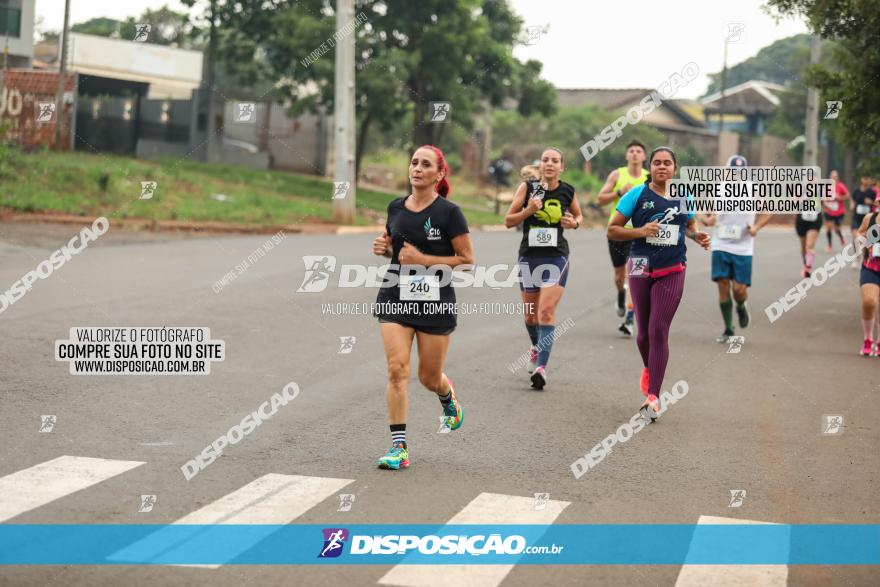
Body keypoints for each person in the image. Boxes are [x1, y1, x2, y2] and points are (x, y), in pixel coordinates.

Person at [371, 145, 474, 469]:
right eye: (414, 162)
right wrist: (383, 246)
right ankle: (399, 448)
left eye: (425, 164)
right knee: (396, 370)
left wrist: (424, 260)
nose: (417, 168)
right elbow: (392, 242)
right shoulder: (395, 207)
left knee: (428, 377)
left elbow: (467, 260)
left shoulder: (449, 213)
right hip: (395, 294)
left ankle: (446, 395)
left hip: (435, 301)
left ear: (439, 174)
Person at [607, 146, 710, 420]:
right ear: (649, 167)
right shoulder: (636, 195)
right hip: (640, 264)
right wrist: (640, 231)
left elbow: (689, 227)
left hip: (673, 267)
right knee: (642, 334)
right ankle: (650, 369)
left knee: (658, 329)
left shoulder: (683, 196)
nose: (661, 167)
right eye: (656, 163)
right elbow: (613, 229)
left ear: (674, 168)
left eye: (667, 163)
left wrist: (697, 236)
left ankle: (653, 396)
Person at [505, 147, 583, 390]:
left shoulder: (567, 191)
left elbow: (579, 217)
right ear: (540, 165)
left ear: (562, 167)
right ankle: (536, 347)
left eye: (555, 161)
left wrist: (574, 223)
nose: (549, 164)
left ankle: (541, 368)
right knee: (530, 315)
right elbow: (509, 221)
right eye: (546, 160)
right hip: (530, 256)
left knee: (546, 311)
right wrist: (528, 210)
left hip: (556, 256)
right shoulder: (527, 188)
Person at [698, 154, 773, 343]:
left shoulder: (753, 190)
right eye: (733, 171)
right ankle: (729, 328)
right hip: (721, 244)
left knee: (739, 289)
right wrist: (705, 218)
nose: (736, 175)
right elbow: (708, 216)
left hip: (743, 247)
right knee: (723, 285)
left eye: (740, 172)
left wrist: (755, 228)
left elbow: (768, 211)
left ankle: (741, 306)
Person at [596, 140, 649, 336]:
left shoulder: (648, 177)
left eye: (639, 151)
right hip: (617, 232)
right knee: (620, 276)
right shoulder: (617, 175)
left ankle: (629, 318)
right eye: (631, 151)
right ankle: (620, 293)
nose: (635, 154)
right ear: (627, 156)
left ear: (644, 156)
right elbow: (600, 199)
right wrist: (619, 192)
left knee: (634, 275)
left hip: (639, 234)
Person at [856, 211, 880, 356]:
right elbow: (860, 233)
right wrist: (862, 239)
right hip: (871, 267)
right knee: (869, 302)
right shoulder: (870, 218)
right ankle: (868, 338)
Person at [795, 186, 823, 277]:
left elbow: (823, 201)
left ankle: (807, 267)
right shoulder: (799, 189)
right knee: (803, 246)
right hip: (801, 219)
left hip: (815, 218)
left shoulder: (819, 189)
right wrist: (803, 198)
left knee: (809, 245)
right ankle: (805, 264)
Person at [850, 175, 876, 268]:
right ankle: (857, 257)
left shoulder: (872, 192)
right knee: (855, 237)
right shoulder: (856, 191)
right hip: (856, 218)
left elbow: (877, 204)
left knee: (865, 240)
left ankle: (864, 258)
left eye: (868, 178)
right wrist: (852, 205)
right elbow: (852, 200)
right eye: (865, 178)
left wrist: (871, 202)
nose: (866, 180)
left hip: (867, 219)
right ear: (861, 180)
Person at [823, 170, 849, 251]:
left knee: (837, 229)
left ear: (838, 178)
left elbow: (847, 195)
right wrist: (826, 201)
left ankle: (841, 237)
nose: (834, 178)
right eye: (833, 176)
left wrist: (840, 198)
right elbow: (823, 197)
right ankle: (830, 245)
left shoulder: (841, 186)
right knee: (828, 228)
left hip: (839, 211)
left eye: (836, 176)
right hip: (829, 211)